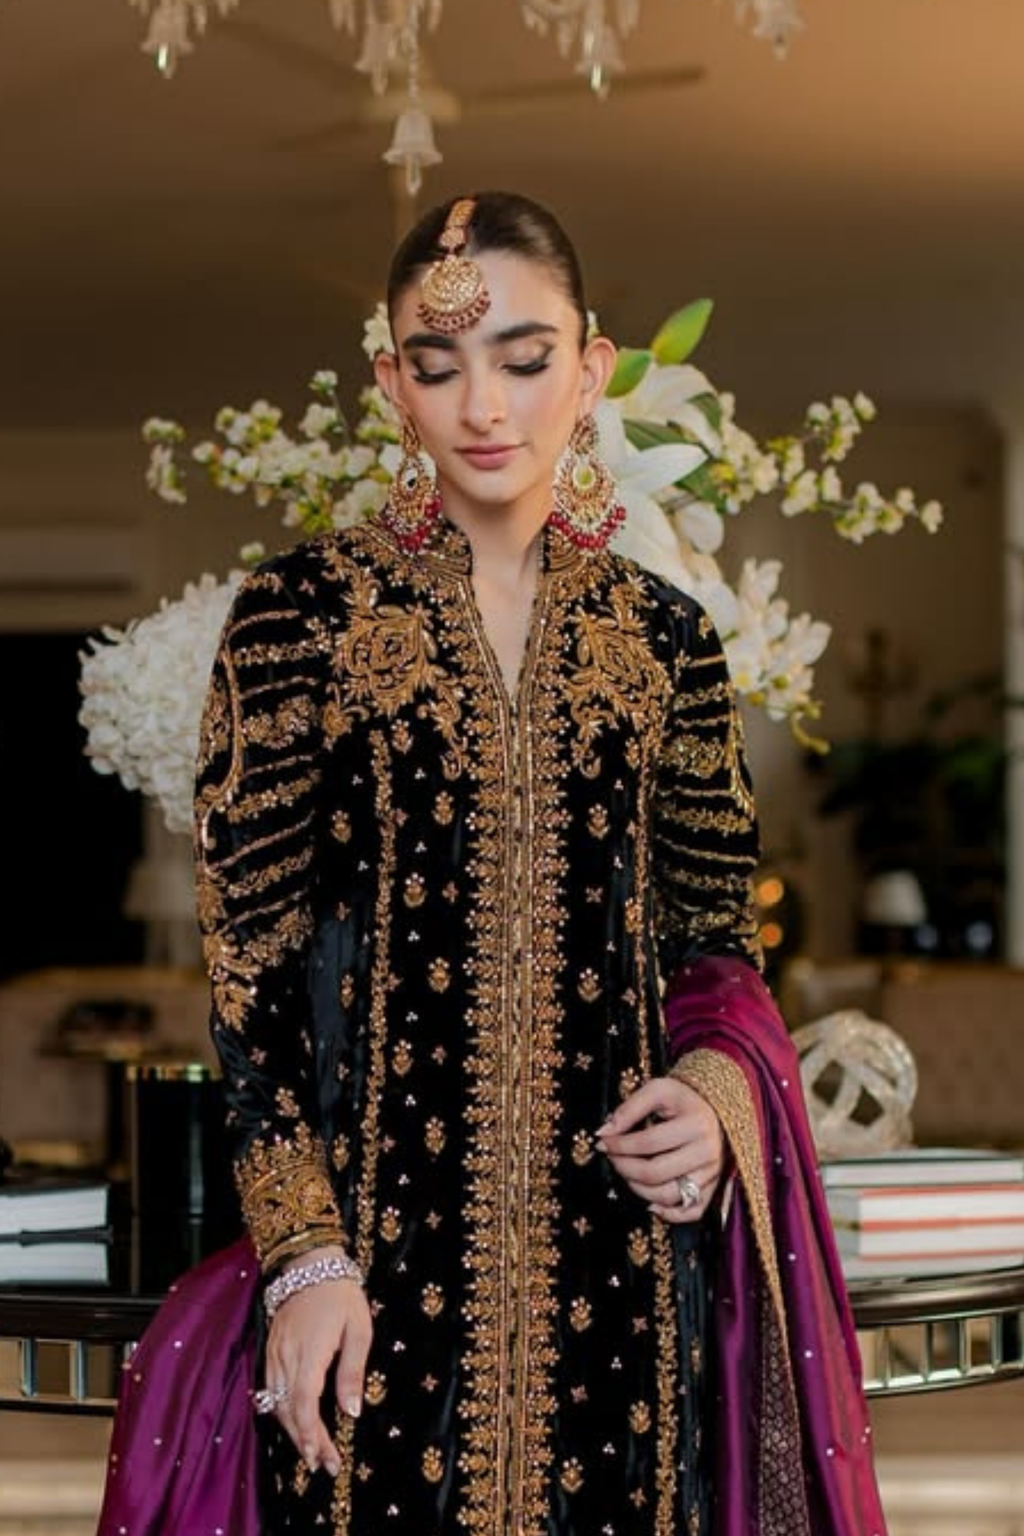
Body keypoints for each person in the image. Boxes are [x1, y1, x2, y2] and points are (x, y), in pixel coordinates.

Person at [97, 191, 888, 1536]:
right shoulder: (299, 622)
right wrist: (304, 1258)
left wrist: (711, 1097)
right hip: (373, 1282)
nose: (485, 404)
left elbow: (716, 946)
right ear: (388, 384)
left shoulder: (669, 642)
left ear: (588, 369)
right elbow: (250, 985)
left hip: (627, 1279)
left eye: (525, 359)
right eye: (438, 360)